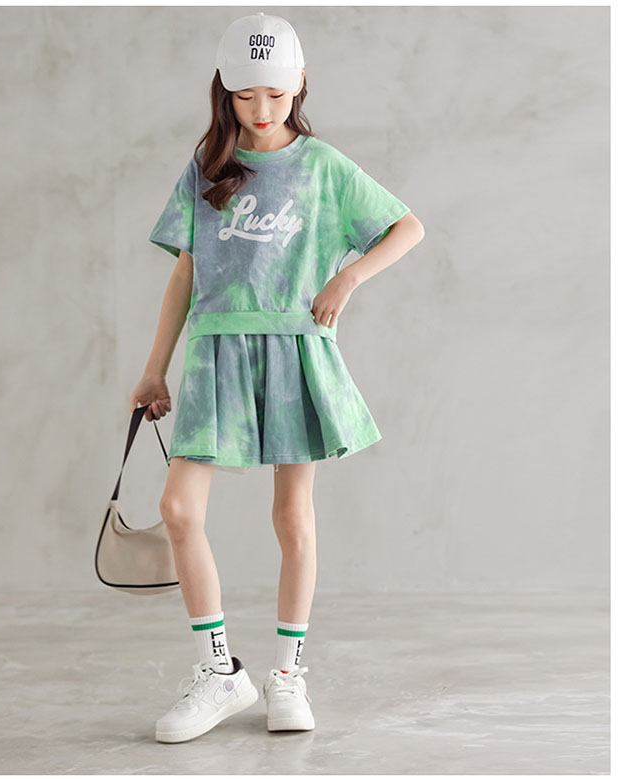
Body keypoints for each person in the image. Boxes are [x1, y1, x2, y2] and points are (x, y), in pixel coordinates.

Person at [129, 12, 425, 743]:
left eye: (274, 93)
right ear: (223, 93)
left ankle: (287, 673)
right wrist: (154, 368)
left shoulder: (323, 166)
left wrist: (348, 278)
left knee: (293, 518)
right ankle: (220, 671)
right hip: (215, 353)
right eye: (244, 95)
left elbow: (407, 227)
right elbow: (185, 273)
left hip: (295, 352)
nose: (261, 110)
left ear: (299, 84)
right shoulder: (207, 166)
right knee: (178, 509)